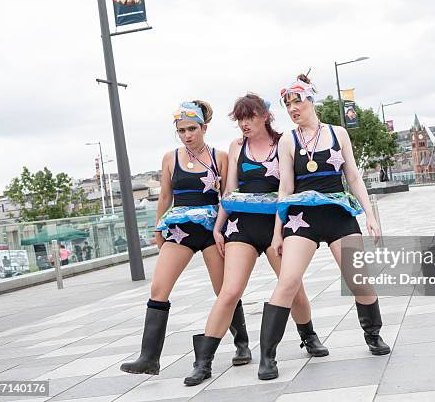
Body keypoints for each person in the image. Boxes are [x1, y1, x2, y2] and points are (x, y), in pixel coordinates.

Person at [184, 94, 328, 387]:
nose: (244, 124)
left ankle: (308, 336)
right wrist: (219, 227)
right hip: (242, 225)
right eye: (239, 119)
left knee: (291, 287)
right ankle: (203, 362)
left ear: (265, 116)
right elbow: (231, 190)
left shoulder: (284, 141)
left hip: (279, 225)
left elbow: (290, 186)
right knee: (230, 290)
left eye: (249, 117)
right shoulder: (237, 146)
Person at [255, 74, 391, 380]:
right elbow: (285, 187)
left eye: (297, 101)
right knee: (288, 281)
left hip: (338, 214)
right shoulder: (288, 140)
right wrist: (278, 230)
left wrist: (370, 216)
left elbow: (353, 177)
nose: (293, 109)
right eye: (287, 105)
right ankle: (268, 354)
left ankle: (373, 334)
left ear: (311, 101)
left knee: (359, 279)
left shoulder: (338, 133)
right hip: (301, 218)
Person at [120, 100, 251, 376]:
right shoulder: (171, 158)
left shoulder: (220, 157)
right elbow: (165, 196)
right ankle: (149, 357)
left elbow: (228, 197)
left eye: (192, 128)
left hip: (211, 229)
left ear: (204, 127)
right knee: (158, 289)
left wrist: (227, 231)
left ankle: (242, 344)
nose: (187, 135)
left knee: (223, 291)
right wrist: (158, 229)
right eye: (181, 130)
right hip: (179, 229)